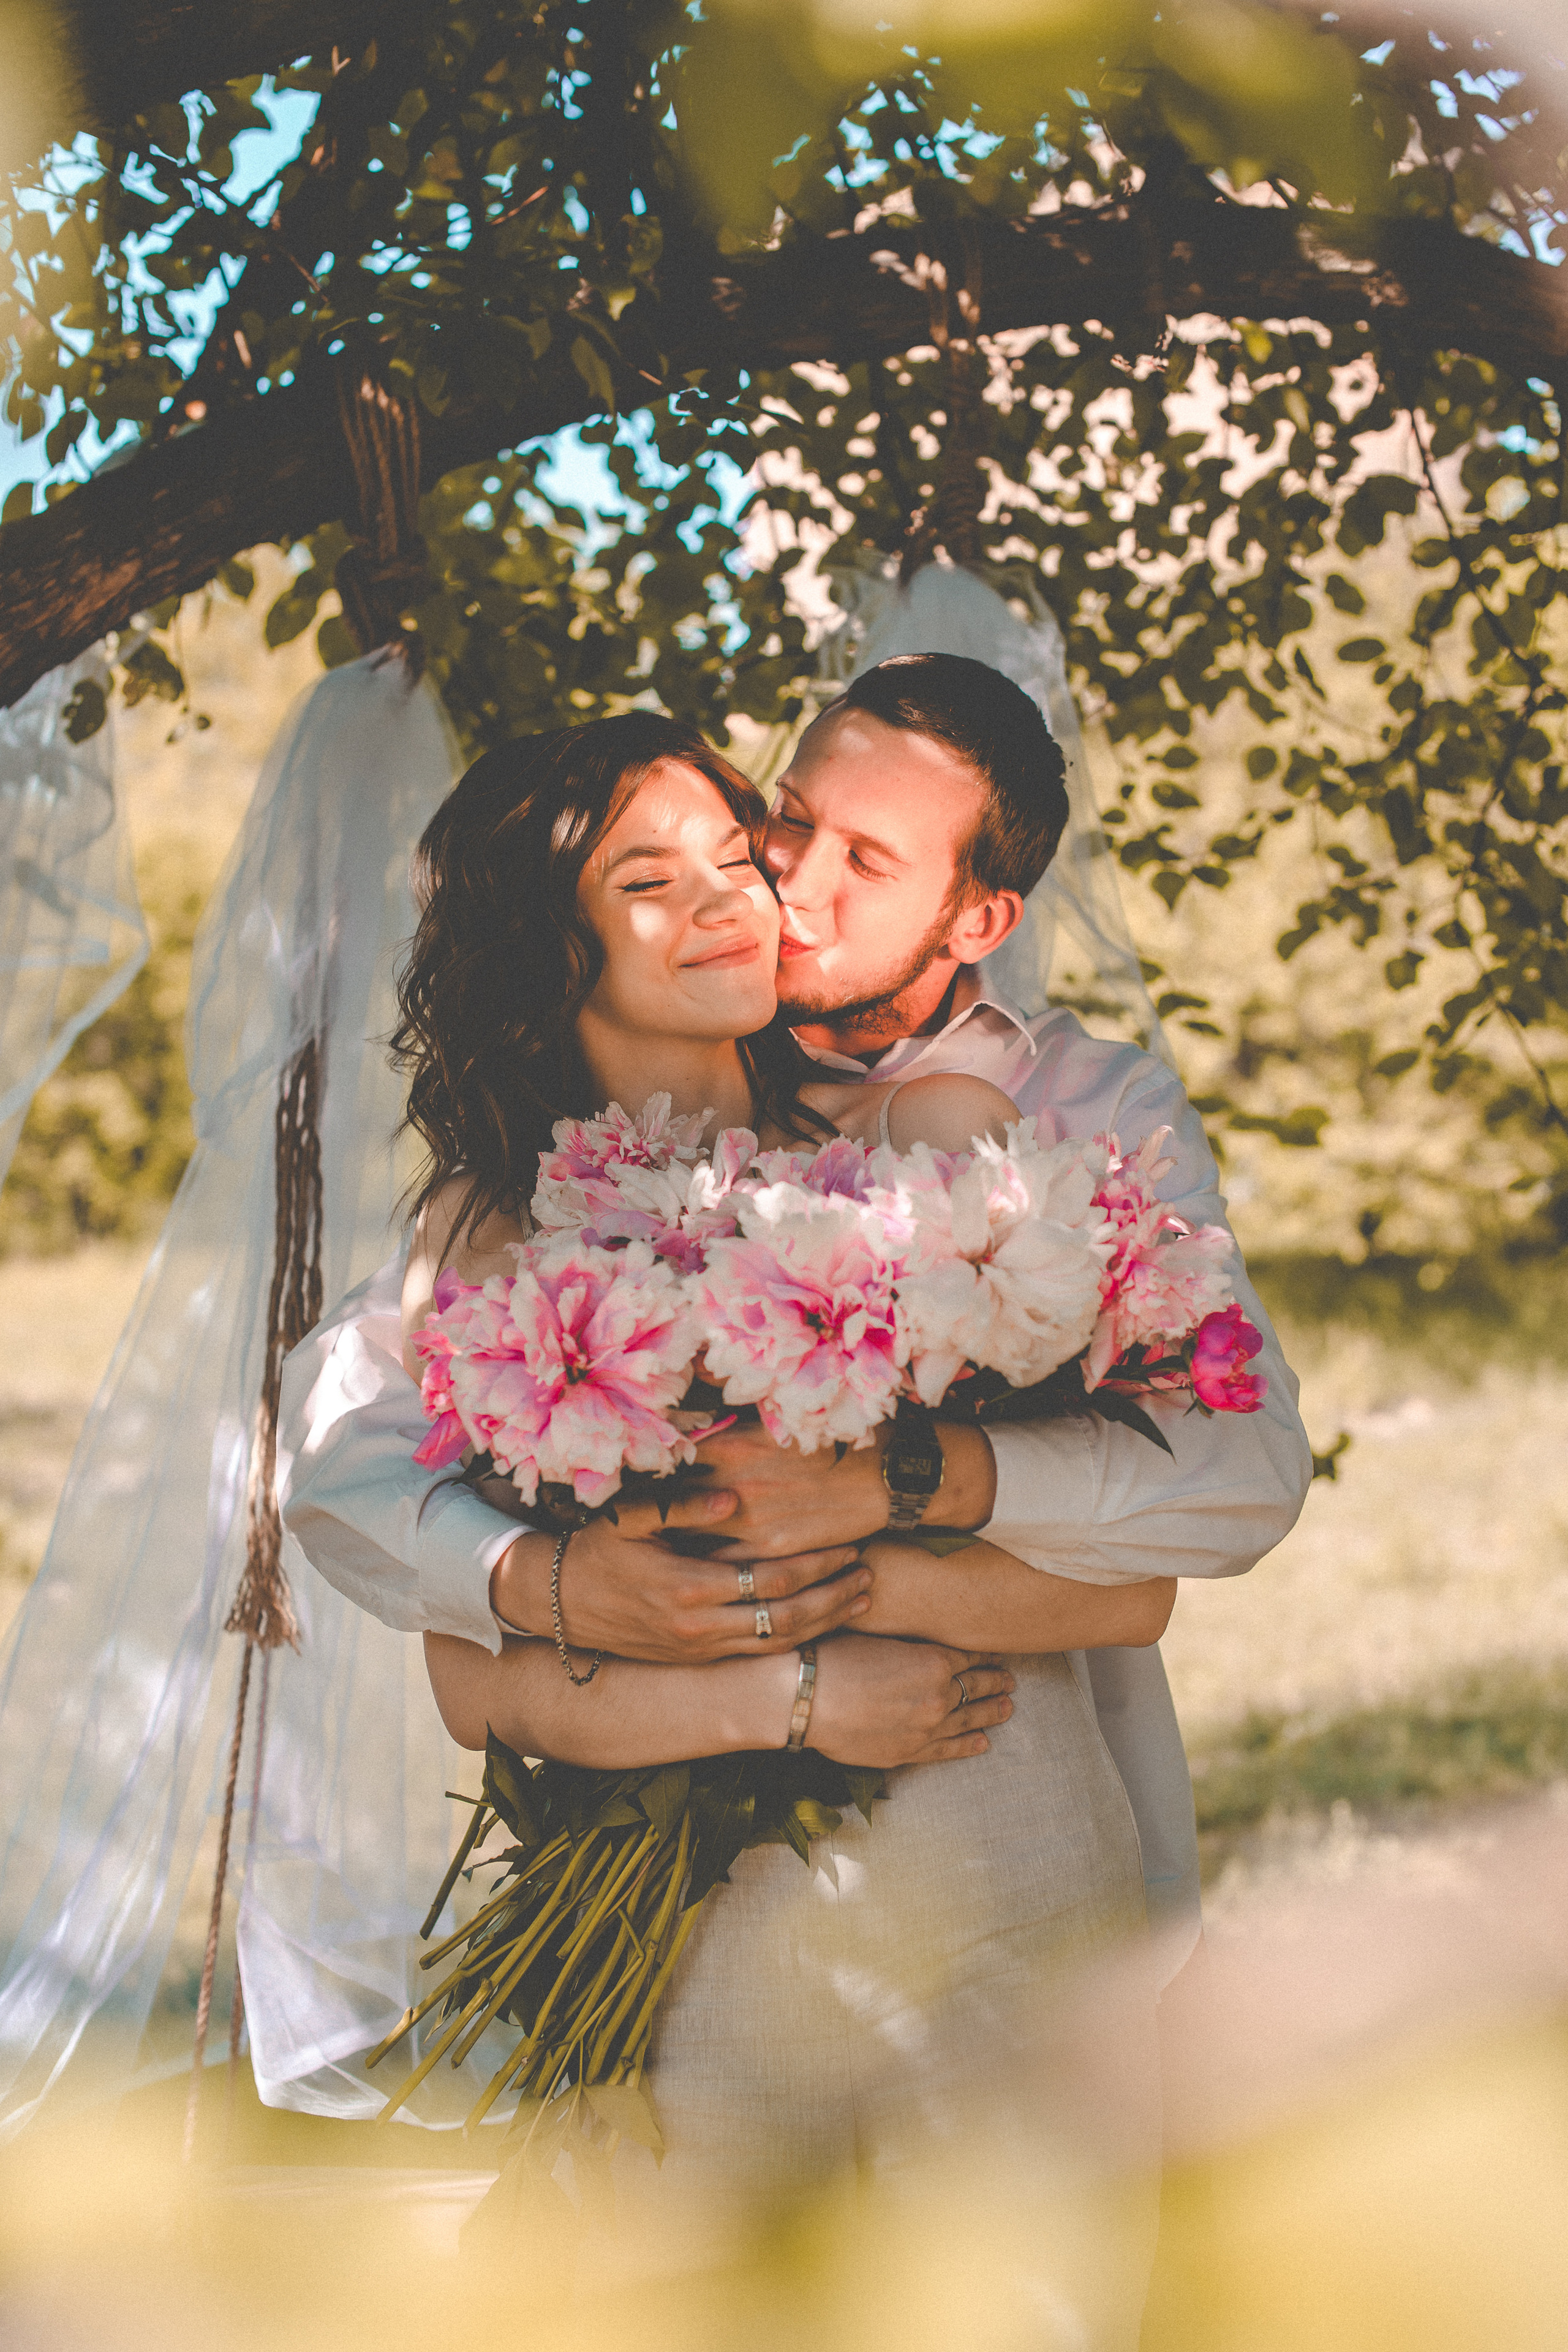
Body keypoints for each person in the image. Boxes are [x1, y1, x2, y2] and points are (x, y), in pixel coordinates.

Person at [281, 655, 1311, 1986]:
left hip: (1004, 1821)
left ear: (975, 916)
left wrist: (879, 1496)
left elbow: (1211, 1505)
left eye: (866, 861)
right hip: (689, 1911)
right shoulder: (524, 1200)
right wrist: (560, 1588)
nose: (785, 886)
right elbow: (363, 1483)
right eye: (785, 821)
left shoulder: (1038, 1116)